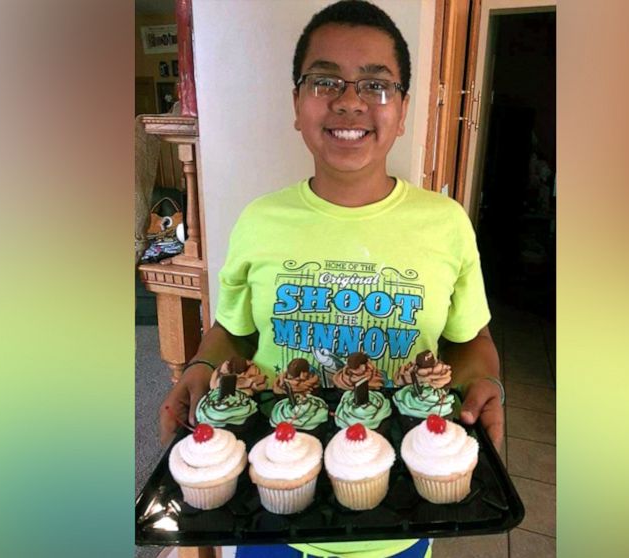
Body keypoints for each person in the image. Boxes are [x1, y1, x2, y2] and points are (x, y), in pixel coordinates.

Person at [159, 1, 504, 556]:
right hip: (272, 498)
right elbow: (232, 332)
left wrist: (487, 385)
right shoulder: (259, 220)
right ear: (297, 104)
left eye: (376, 85)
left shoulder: (446, 224)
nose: (349, 101)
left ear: (404, 108)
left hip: (397, 511)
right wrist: (201, 365)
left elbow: (471, 342)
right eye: (325, 81)